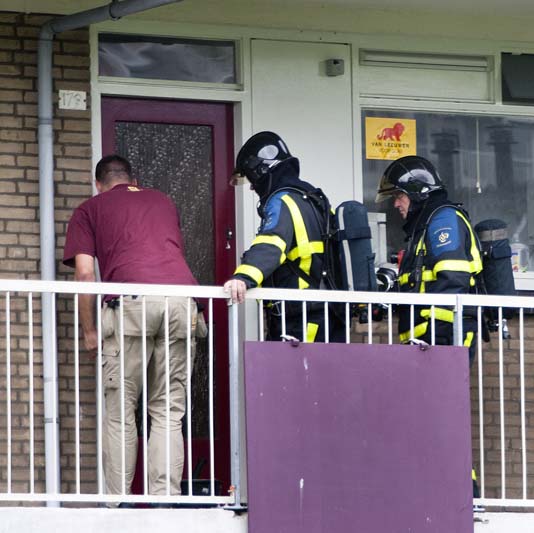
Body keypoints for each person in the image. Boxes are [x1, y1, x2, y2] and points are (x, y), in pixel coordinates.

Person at [63, 154, 202, 498]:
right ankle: (163, 503)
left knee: (121, 410)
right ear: (131, 178)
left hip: (132, 303)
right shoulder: (163, 202)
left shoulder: (90, 209)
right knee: (168, 410)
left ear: (98, 183)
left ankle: (119, 504)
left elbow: (84, 273)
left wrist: (89, 330)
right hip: (181, 302)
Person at [223, 131, 345, 342]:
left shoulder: (283, 200)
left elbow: (271, 244)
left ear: (262, 171)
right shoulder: (311, 198)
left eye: (252, 179)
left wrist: (242, 278)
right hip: (326, 314)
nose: (252, 187)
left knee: (294, 375)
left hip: (301, 318)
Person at [376, 155, 483, 363]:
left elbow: (452, 279)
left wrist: (436, 337)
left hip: (441, 341)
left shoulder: (443, 220)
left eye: (400, 195)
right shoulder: (425, 225)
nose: (396, 203)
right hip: (425, 342)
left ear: (418, 192)